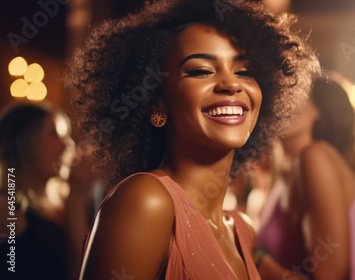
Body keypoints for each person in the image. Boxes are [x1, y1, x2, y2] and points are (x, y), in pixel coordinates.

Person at [64, 0, 319, 279]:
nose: (231, 84)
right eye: (201, 70)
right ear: (156, 101)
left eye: (244, 71)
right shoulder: (146, 201)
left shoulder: (242, 229)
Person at [255, 79, 355, 280]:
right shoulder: (284, 174)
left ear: (318, 108)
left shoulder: (316, 157)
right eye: (278, 92)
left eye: (293, 93)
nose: (280, 101)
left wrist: (257, 261)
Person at [0, 101, 95, 280]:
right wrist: (76, 197)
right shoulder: (7, 211)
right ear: (23, 144)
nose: (68, 144)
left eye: (66, 134)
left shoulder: (61, 200)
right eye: (55, 134)